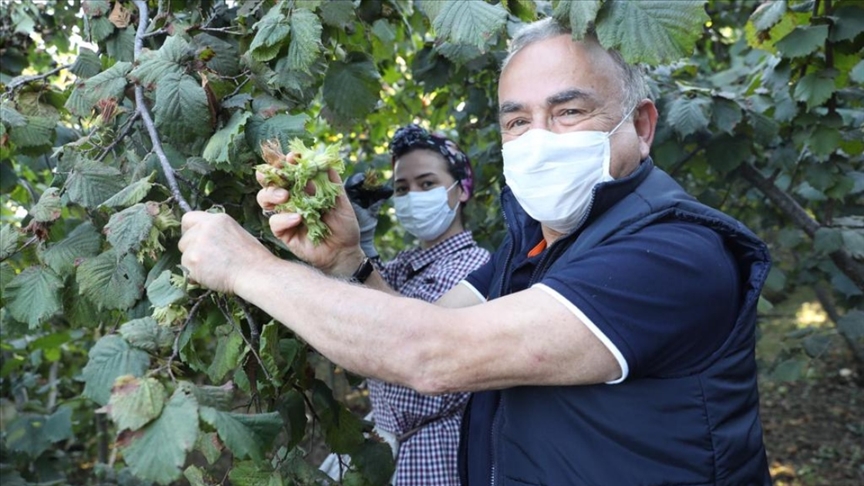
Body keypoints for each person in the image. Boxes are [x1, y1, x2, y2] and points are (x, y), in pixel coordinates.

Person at [179, 17, 773, 485]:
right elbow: (423, 333)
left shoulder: (673, 253)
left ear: (641, 126)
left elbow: (434, 357)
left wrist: (247, 267)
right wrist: (345, 261)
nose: (537, 138)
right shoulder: (532, 250)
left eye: (567, 112)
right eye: (516, 121)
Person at [320, 124, 490, 484]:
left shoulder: (478, 268)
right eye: (401, 188)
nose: (412, 195)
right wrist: (360, 240)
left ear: (460, 190)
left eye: (427, 184)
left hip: (437, 456)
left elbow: (407, 342)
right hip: (386, 449)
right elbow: (350, 316)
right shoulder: (399, 267)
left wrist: (358, 256)